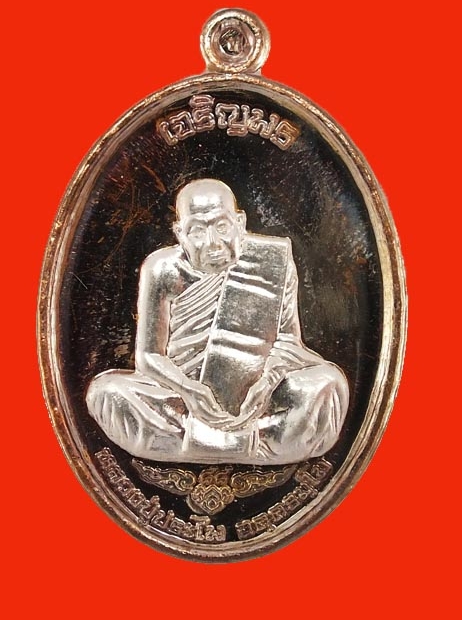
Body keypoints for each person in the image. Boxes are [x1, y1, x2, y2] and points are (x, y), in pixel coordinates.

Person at [86, 179, 349, 465]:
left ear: (240, 223)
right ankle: (262, 444)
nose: (212, 243)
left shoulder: (272, 261)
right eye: (197, 231)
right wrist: (189, 390)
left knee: (328, 383)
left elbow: (287, 340)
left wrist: (265, 385)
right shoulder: (162, 269)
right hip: (182, 400)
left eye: (221, 227)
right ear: (180, 234)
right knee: (107, 393)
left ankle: (189, 445)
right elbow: (149, 356)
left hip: (256, 399)